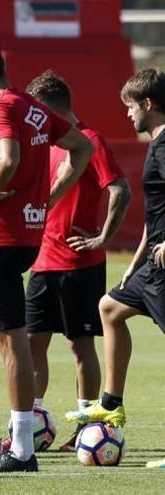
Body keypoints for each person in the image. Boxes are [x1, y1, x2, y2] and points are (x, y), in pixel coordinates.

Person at [0, 38, 93, 472]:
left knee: (12, 342)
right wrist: (49, 197)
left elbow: (8, 157)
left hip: (0, 236)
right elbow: (81, 148)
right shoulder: (35, 108)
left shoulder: (0, 110)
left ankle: (21, 451)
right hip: (27, 234)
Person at [23, 70, 131, 451]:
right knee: (32, 340)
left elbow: (120, 189)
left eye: (37, 111)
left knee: (79, 345)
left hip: (78, 264)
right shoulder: (44, 144)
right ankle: (31, 421)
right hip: (40, 262)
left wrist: (103, 237)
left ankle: (87, 427)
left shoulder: (89, 140)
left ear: (50, 108)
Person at [66, 69, 165, 470]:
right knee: (109, 307)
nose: (127, 116)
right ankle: (110, 405)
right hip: (152, 263)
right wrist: (137, 260)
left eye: (129, 107)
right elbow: (155, 214)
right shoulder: (155, 145)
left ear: (147, 105)